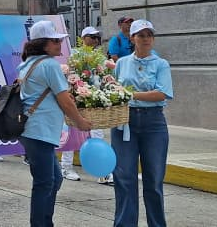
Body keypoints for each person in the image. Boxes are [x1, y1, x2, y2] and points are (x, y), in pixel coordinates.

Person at [17, 20, 91, 227]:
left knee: (54, 180)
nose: (59, 44)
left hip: (34, 131)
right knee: (44, 183)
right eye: (55, 41)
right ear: (42, 43)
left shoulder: (27, 63)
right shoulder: (49, 65)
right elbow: (65, 101)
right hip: (38, 131)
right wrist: (80, 122)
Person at [110, 20, 172, 227]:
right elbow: (115, 90)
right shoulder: (121, 63)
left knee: (153, 180)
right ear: (132, 38)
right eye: (141, 35)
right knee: (123, 177)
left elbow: (162, 93)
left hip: (153, 123)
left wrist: (130, 94)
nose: (146, 39)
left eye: (149, 35)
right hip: (124, 122)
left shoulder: (161, 64)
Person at [59, 26, 106, 183]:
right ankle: (66, 167)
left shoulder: (99, 56)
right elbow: (67, 74)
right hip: (76, 100)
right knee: (72, 134)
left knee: (97, 133)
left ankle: (102, 170)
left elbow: (102, 75)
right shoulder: (74, 54)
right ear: (84, 38)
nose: (95, 40)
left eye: (97, 37)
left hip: (94, 99)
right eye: (92, 37)